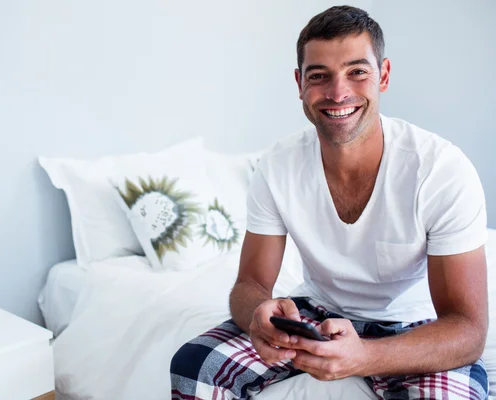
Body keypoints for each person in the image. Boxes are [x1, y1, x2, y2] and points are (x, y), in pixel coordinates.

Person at [170, 5, 490, 400]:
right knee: (194, 367)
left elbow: (468, 330)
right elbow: (250, 284)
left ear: (383, 76)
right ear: (299, 83)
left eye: (357, 72)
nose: (338, 93)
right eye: (319, 76)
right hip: (315, 316)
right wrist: (259, 314)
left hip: (414, 327)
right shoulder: (277, 166)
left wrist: (364, 357)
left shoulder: (440, 170)